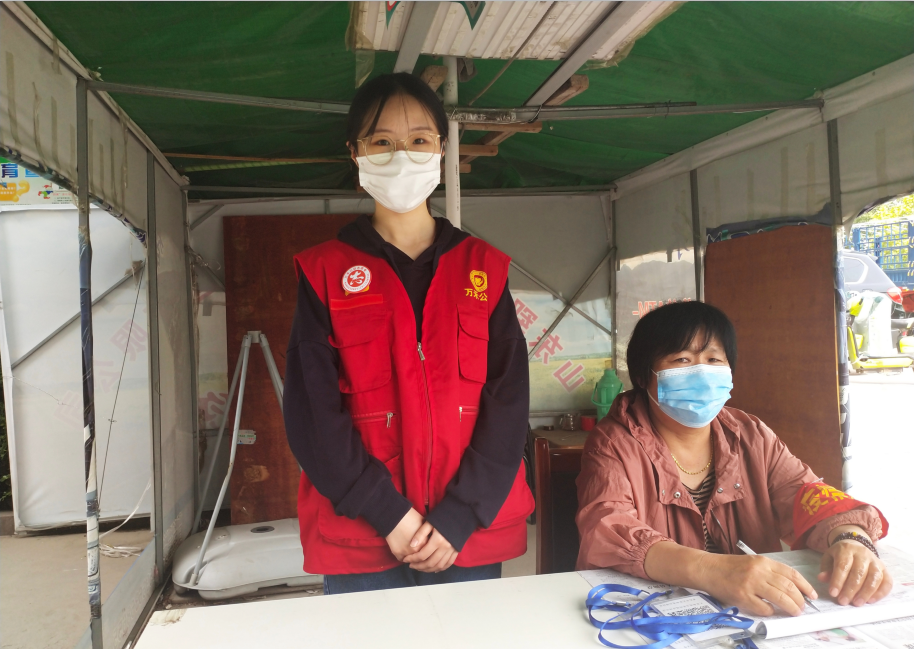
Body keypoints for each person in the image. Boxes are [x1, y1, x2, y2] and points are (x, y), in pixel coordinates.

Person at [283, 72, 534, 595]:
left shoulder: (483, 269)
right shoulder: (326, 272)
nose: (402, 156)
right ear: (356, 154)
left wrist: (460, 514)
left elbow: (508, 404)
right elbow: (312, 413)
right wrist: (388, 514)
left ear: (441, 151)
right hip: (365, 535)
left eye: (419, 139)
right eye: (382, 142)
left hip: (467, 534)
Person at [576, 301, 892, 616]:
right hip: (655, 616)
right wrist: (712, 570)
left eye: (714, 359)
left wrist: (850, 536)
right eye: (682, 359)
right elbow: (608, 529)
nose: (701, 372)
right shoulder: (613, 443)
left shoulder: (750, 434)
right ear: (644, 374)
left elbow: (803, 493)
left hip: (752, 612)